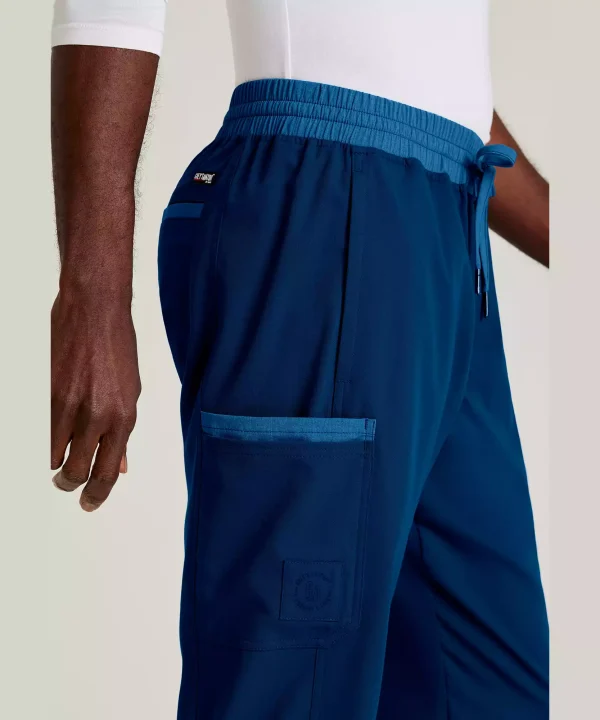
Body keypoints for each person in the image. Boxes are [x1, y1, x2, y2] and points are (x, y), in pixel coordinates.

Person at [50, 1, 549, 718]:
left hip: (450, 218)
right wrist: (92, 294)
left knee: (485, 682)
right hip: (324, 202)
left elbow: (433, 75)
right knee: (286, 687)